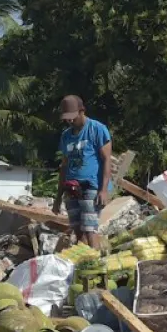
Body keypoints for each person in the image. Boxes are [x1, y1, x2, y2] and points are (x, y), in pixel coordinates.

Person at [53, 95, 112, 247]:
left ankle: (96, 264)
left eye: (72, 117)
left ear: (82, 111)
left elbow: (107, 160)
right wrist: (58, 197)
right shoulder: (66, 136)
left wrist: (103, 190)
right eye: (67, 118)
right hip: (71, 188)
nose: (70, 121)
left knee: (90, 229)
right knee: (77, 229)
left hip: (91, 186)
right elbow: (64, 166)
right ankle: (84, 265)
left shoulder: (97, 129)